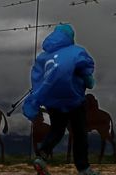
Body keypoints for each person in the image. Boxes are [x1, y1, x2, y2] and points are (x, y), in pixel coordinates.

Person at [23, 23, 99, 175]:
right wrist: (89, 82)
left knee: (57, 129)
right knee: (79, 133)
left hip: (53, 102)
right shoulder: (76, 52)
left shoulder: (43, 57)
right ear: (70, 37)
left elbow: (38, 78)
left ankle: (42, 156)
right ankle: (83, 168)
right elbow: (89, 80)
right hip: (74, 100)